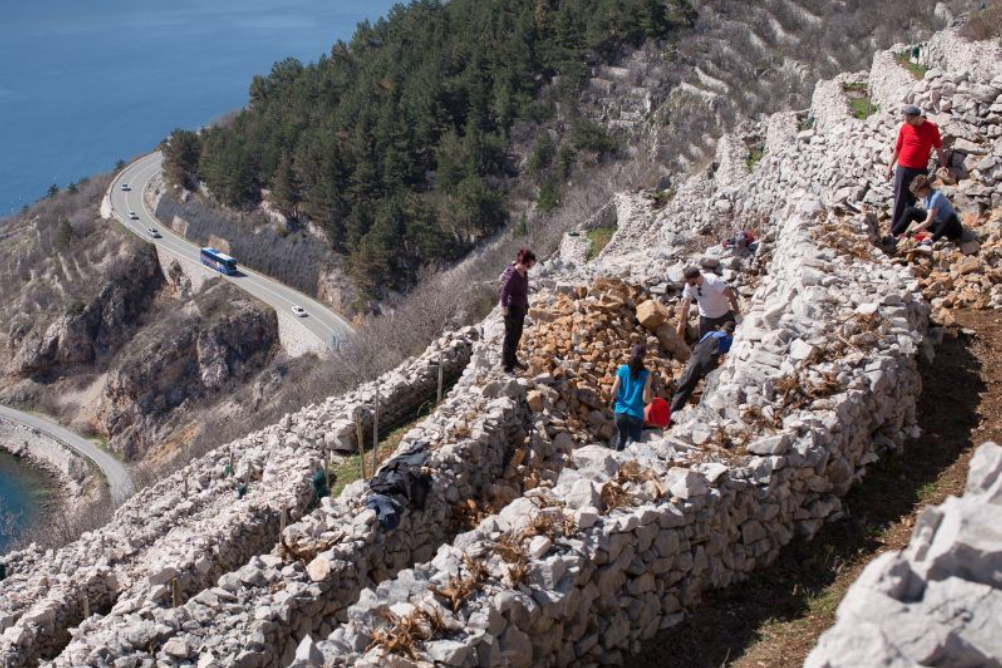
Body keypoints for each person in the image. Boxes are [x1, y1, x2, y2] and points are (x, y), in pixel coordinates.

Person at [886, 105, 949, 235]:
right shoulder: (905, 127)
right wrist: (889, 167)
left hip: (919, 170)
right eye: (905, 118)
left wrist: (944, 166)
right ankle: (893, 231)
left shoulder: (931, 128)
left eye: (909, 118)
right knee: (899, 199)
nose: (906, 121)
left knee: (911, 201)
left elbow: (939, 149)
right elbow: (897, 148)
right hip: (903, 168)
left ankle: (902, 230)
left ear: (917, 117)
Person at [670, 321, 735, 415]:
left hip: (694, 360)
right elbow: (723, 352)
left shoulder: (710, 333)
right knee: (710, 389)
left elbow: (700, 343)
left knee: (684, 386)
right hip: (708, 366)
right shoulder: (729, 340)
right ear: (731, 332)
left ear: (721, 328)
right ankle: (704, 411)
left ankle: (672, 413)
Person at [893, 174, 964, 243]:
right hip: (938, 226)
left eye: (916, 193)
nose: (915, 195)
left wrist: (910, 231)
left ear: (923, 190)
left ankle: (931, 240)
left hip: (952, 230)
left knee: (951, 216)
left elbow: (928, 221)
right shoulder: (926, 197)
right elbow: (929, 217)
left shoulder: (936, 197)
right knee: (910, 210)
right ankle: (894, 235)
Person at [609, 344, 653, 451]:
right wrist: (652, 401)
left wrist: (616, 400)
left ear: (631, 354)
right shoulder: (647, 374)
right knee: (634, 446)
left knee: (621, 438)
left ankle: (617, 465)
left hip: (620, 412)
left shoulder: (623, 369)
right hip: (636, 415)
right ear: (644, 357)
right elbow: (645, 399)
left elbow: (613, 391)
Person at [676, 267, 740, 340]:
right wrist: (681, 323)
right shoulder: (689, 286)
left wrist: (737, 314)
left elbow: (730, 295)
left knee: (731, 338)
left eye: (688, 281)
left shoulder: (713, 281)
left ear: (694, 279)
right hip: (706, 316)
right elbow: (686, 304)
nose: (687, 283)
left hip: (723, 313)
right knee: (704, 341)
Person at [499, 248, 536, 374]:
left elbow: (523, 289)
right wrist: (505, 313)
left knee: (517, 335)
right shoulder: (513, 274)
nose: (531, 267)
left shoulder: (524, 271)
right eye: (530, 265)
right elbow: (504, 293)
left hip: (520, 307)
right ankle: (506, 366)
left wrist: (526, 304)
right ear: (524, 263)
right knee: (510, 337)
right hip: (511, 309)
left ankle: (512, 360)